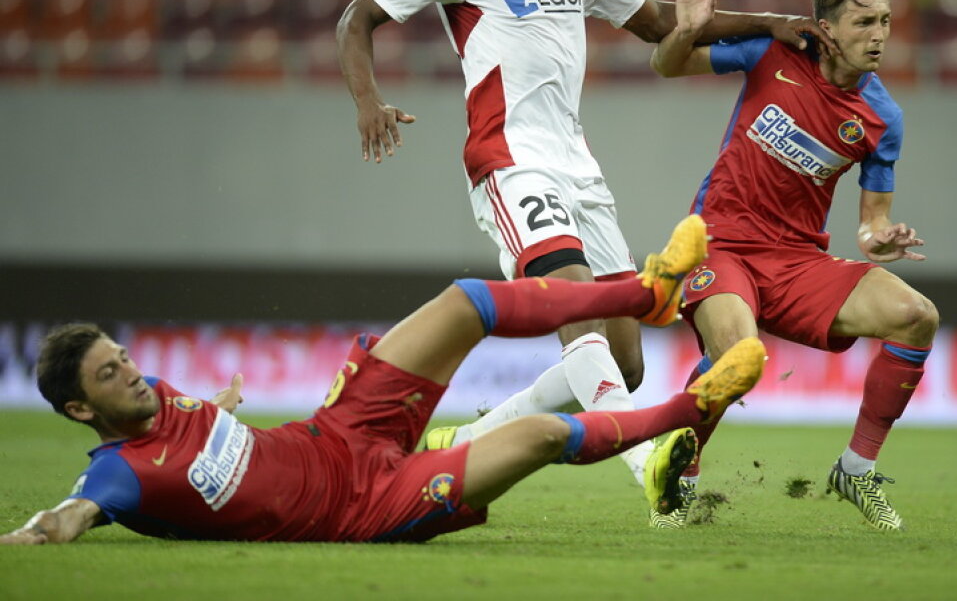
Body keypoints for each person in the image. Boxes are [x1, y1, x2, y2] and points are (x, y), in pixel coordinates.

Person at [335, 0, 835, 522]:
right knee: (577, 313)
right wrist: (368, 101)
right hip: (510, 159)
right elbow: (357, 16)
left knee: (622, 363)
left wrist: (769, 23)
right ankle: (648, 466)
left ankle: (468, 442)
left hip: (579, 168)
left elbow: (660, 22)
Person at [0, 216, 766, 545]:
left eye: (124, 356)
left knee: (464, 301)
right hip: (360, 506)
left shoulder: (158, 398)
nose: (132, 373)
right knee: (539, 435)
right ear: (77, 407)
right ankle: (688, 406)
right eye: (110, 373)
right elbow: (70, 514)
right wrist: (31, 533)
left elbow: (201, 429)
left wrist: (223, 406)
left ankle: (646, 292)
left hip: (337, 431)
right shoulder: (118, 478)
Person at [648, 0, 939, 531]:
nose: (877, 35)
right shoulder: (771, 54)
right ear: (825, 26)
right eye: (862, 22)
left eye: (884, 21)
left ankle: (856, 469)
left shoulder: (883, 117)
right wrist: (685, 28)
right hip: (721, 242)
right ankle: (679, 481)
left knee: (916, 316)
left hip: (798, 260)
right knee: (738, 356)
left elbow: (870, 223)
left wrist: (882, 238)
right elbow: (667, 65)